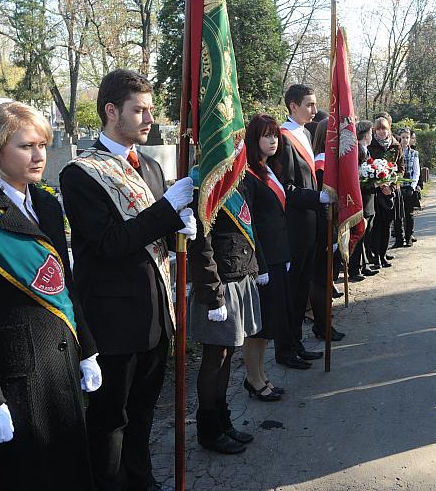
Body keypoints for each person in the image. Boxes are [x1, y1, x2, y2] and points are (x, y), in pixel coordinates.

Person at [0, 102, 100, 490]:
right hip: (12, 380)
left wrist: (88, 349)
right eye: (25, 146)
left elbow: (64, 283)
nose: (38, 156)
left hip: (59, 366)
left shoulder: (46, 204)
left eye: (42, 145)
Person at [60, 69, 196, 491]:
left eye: (151, 110)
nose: (149, 118)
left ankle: (142, 480)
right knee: (109, 422)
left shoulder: (151, 167)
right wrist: (166, 212)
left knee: (142, 415)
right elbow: (111, 243)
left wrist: (179, 233)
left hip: (156, 316)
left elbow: (149, 237)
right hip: (113, 322)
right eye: (140, 110)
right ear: (111, 110)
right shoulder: (79, 174)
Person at [187, 168, 268, 456]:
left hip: (239, 275)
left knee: (228, 353)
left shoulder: (236, 182)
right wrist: (212, 294)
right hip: (218, 284)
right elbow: (201, 246)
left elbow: (248, 229)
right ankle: (208, 430)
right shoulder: (202, 184)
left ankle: (223, 421)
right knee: (215, 357)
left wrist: (257, 268)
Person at [271, 84, 332, 369]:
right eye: (308, 104)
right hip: (293, 227)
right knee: (290, 292)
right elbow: (286, 188)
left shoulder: (306, 133)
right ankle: (285, 350)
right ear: (293, 106)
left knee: (301, 290)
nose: (313, 109)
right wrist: (315, 197)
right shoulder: (282, 139)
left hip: (310, 226)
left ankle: (297, 343)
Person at [242, 114, 296, 390]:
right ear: (254, 139)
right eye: (266, 135)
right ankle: (253, 378)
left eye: (275, 134)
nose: (273, 140)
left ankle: (261, 375)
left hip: (279, 257)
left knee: (270, 324)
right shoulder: (248, 174)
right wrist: (261, 265)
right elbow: (249, 225)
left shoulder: (270, 168)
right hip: (263, 262)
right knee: (259, 326)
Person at [309, 119, 346, 341]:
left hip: (332, 227)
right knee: (321, 279)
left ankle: (325, 322)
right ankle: (322, 325)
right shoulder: (321, 164)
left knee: (328, 276)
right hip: (323, 229)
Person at [368, 116, 402, 267]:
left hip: (390, 191)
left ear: (389, 130)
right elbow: (367, 168)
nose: (382, 132)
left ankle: (383, 254)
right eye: (379, 129)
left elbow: (401, 169)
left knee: (387, 225)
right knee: (376, 226)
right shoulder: (370, 145)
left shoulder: (396, 146)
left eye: (384, 128)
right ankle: (375, 256)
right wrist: (380, 184)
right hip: (376, 192)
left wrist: (391, 186)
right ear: (375, 130)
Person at [348, 120, 379, 279]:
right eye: (371, 133)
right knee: (359, 233)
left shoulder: (365, 149)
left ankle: (365, 264)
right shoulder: (357, 150)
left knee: (367, 233)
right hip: (362, 197)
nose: (372, 136)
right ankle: (354, 268)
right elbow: (357, 174)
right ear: (365, 134)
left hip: (369, 197)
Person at [399, 128, 420, 246]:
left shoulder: (414, 153)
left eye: (407, 137)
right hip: (398, 186)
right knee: (398, 215)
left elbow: (416, 172)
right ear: (399, 138)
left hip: (409, 187)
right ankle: (399, 238)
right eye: (403, 137)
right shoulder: (396, 151)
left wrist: (413, 186)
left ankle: (408, 237)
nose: (405, 140)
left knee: (409, 213)